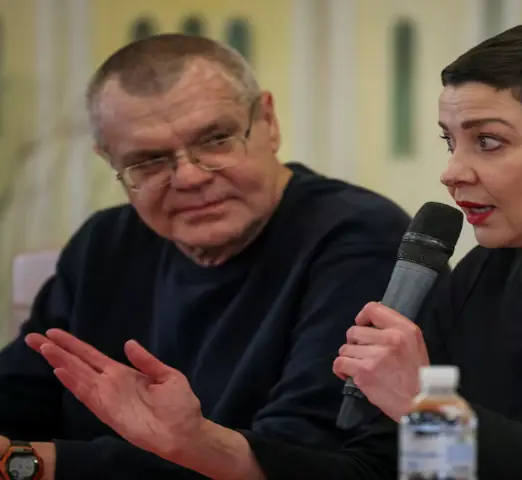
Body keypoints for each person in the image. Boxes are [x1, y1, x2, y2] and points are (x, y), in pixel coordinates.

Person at [23, 21, 522, 480]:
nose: (453, 170)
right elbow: (406, 472)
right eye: (450, 140)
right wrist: (202, 444)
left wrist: (429, 405)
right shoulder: (482, 276)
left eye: (488, 142)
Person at [0, 34, 413, 479]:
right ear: (110, 160)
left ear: (269, 121)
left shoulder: (359, 237)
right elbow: (20, 393)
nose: (190, 177)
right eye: (149, 161)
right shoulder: (105, 242)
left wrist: (33, 465)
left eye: (216, 140)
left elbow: (297, 454)